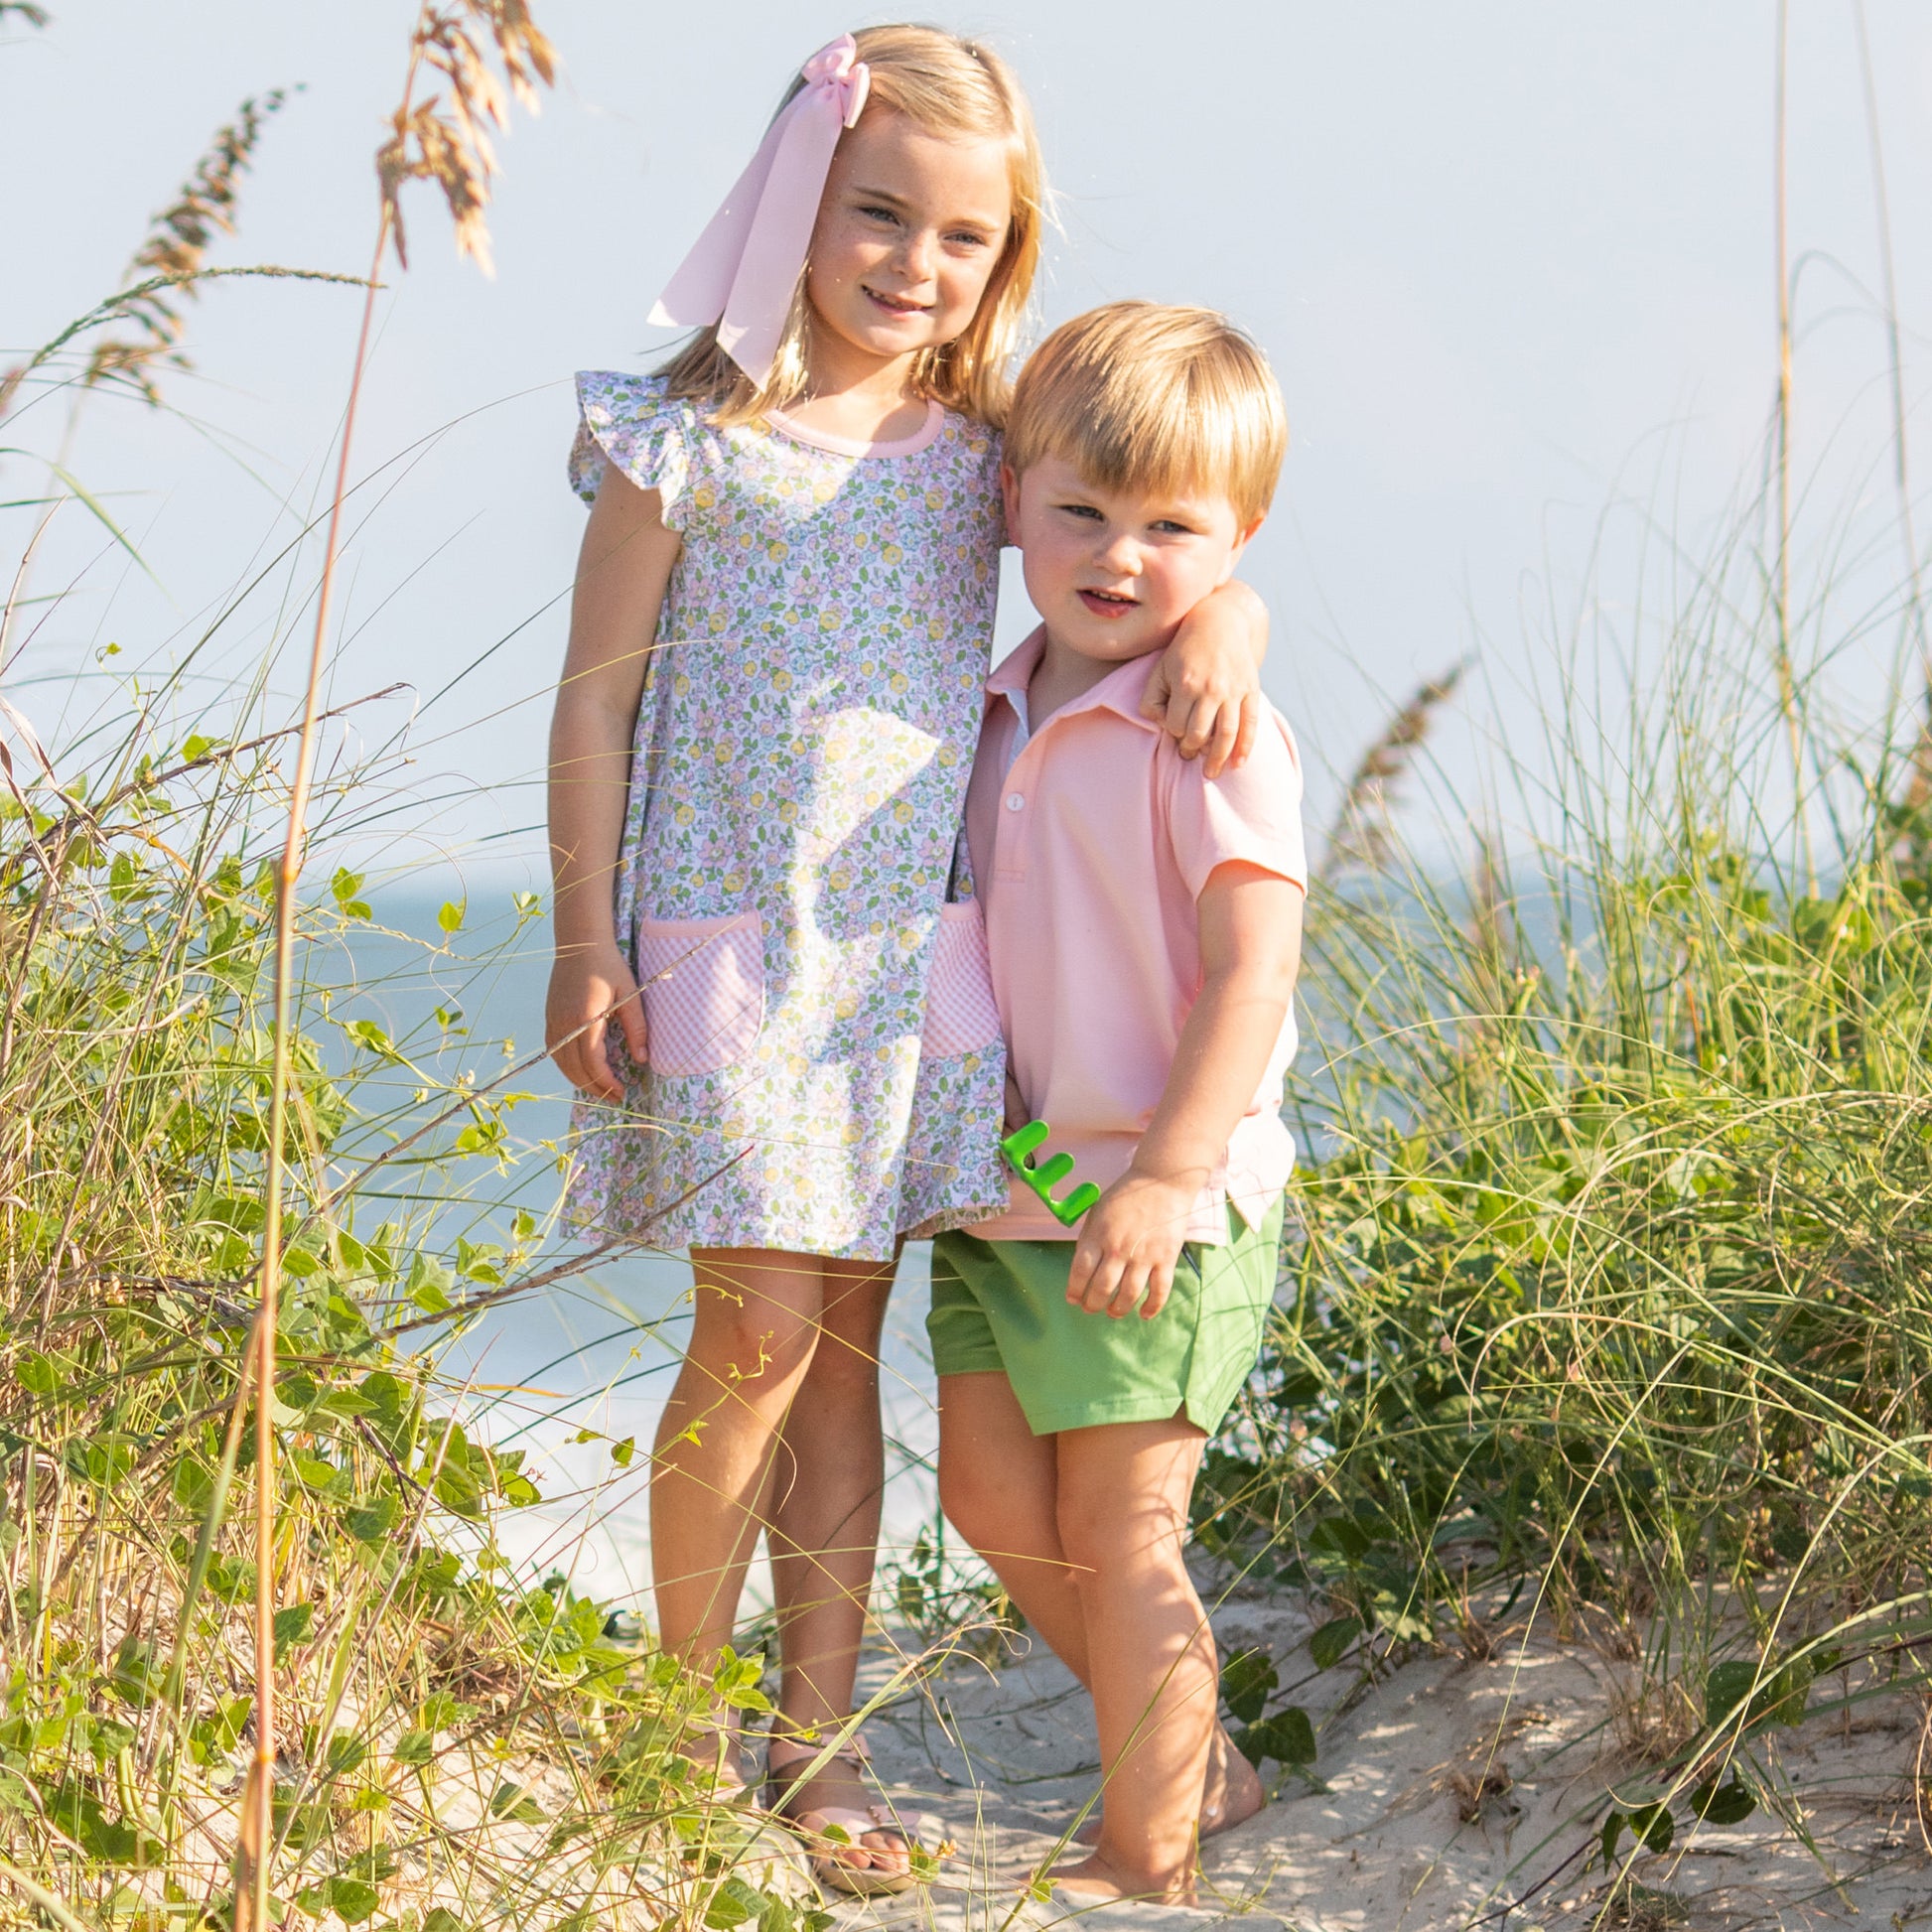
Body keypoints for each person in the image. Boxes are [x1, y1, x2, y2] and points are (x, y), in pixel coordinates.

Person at [544, 30, 1272, 1895]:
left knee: (845, 1345)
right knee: (752, 1337)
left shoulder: (990, 448)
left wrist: (1241, 615)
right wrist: (578, 935)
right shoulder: (679, 438)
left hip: (908, 976)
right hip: (721, 949)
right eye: (880, 214)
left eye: (963, 235)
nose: (913, 264)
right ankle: (678, 1729)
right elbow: (594, 704)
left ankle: (820, 1739)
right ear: (802, 201)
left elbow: (1160, 511)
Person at [929, 302, 1307, 1905]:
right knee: (987, 1498)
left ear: (1236, 542)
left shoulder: (1205, 727)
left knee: (1120, 1526)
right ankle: (1190, 1752)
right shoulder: (988, 699)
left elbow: (1251, 973)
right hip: (998, 1185)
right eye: (1080, 508)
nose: (1118, 554)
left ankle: (1145, 1845)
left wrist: (1166, 1174)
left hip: (1152, 1194)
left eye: (1172, 530)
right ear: (1010, 496)